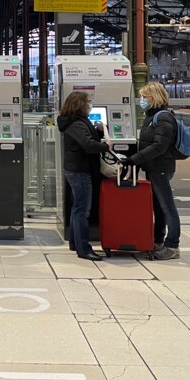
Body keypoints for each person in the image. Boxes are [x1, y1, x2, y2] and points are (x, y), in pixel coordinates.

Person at [121, 81, 181, 260]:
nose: (142, 100)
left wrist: (134, 159)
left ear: (153, 97)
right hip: (153, 167)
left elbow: (158, 146)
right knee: (159, 207)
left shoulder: (163, 117)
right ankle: (158, 241)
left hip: (160, 168)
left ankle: (172, 246)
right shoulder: (152, 116)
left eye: (144, 97)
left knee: (167, 207)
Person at [57, 91, 109, 261]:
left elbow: (86, 139)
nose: (90, 104)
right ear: (80, 104)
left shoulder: (76, 122)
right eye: (88, 101)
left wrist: (98, 132)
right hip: (80, 170)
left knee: (77, 208)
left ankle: (75, 243)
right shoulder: (77, 124)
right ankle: (84, 249)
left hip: (76, 169)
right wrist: (106, 146)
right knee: (82, 210)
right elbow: (88, 145)